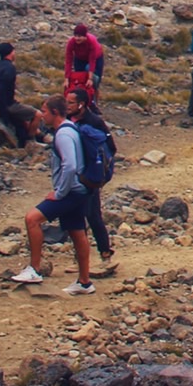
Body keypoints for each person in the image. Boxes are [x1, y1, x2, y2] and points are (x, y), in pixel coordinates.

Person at [11, 95, 95, 295]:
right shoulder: (70, 129)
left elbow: (70, 165)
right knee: (77, 232)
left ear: (55, 112)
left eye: (45, 111)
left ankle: (35, 269)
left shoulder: (63, 135)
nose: (42, 115)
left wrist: (60, 193)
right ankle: (84, 282)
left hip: (70, 191)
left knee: (32, 219)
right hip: (79, 190)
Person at [64, 86, 116, 273]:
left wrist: (98, 173)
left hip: (89, 178)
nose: (67, 106)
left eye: (70, 102)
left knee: (93, 216)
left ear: (81, 104)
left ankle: (105, 254)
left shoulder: (94, 122)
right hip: (73, 175)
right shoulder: (67, 120)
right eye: (66, 102)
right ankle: (80, 259)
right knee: (75, 217)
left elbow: (111, 148)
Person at [0, 41, 38, 148]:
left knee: (23, 119)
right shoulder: (9, 69)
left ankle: (37, 135)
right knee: (37, 115)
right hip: (7, 105)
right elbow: (0, 90)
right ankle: (31, 141)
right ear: (11, 52)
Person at [64, 23, 105, 101]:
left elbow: (92, 60)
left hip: (96, 58)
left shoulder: (91, 42)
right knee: (79, 80)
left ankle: (94, 100)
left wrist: (90, 78)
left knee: (93, 78)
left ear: (85, 36)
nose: (77, 38)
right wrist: (66, 78)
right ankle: (81, 101)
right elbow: (68, 61)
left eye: (79, 36)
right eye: (75, 36)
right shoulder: (71, 42)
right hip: (79, 59)